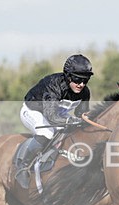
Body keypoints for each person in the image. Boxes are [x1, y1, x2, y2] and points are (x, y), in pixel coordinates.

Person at [16, 54, 93, 186]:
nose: (81, 84)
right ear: (68, 76)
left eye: (85, 80)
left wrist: (86, 118)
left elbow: (81, 114)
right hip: (33, 111)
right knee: (47, 133)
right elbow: (51, 116)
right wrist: (70, 121)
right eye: (77, 79)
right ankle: (24, 166)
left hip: (57, 115)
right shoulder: (54, 85)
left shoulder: (85, 92)